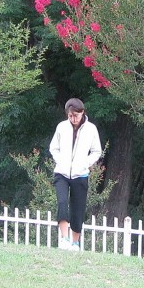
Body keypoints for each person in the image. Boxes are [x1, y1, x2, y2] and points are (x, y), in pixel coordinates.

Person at [49, 98, 102, 252]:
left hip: (81, 175)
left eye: (76, 116)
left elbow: (96, 151)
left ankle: (75, 243)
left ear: (82, 113)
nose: (73, 119)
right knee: (62, 202)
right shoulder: (61, 127)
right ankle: (64, 239)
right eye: (70, 116)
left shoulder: (91, 129)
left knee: (78, 209)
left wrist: (85, 163)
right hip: (62, 173)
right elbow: (54, 148)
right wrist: (60, 161)